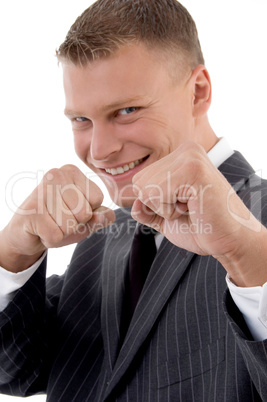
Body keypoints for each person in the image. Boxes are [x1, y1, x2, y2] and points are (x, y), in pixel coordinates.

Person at [1, 0, 267, 400]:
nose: (100, 151)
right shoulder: (103, 235)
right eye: (81, 120)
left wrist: (249, 255)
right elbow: (14, 371)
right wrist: (12, 252)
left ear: (198, 92)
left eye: (126, 110)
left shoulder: (258, 224)